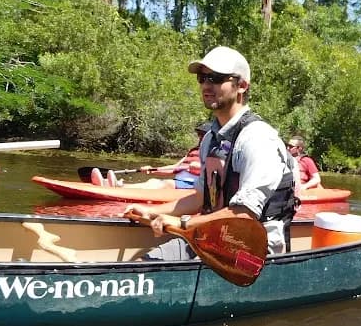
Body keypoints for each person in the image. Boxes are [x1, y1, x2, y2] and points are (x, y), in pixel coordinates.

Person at [123, 45, 298, 257]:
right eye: (202, 78)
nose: (206, 85)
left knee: (156, 272)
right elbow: (200, 198)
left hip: (252, 251)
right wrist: (153, 211)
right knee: (147, 263)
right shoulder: (210, 139)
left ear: (241, 86)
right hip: (212, 237)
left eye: (215, 78)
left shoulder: (258, 138)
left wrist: (183, 222)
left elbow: (245, 214)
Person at [91, 123, 210, 189]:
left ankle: (120, 187)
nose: (200, 137)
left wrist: (201, 168)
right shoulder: (193, 151)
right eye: (199, 134)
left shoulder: (213, 152)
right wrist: (152, 170)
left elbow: (217, 172)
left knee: (164, 184)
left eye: (203, 134)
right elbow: (174, 168)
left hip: (194, 185)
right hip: (179, 182)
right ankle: (110, 184)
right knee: (153, 179)